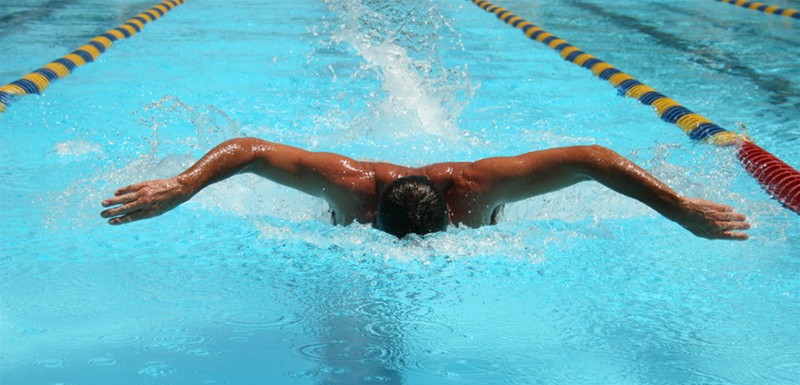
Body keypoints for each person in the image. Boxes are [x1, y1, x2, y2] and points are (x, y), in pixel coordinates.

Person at [100, 137, 750, 240]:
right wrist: (183, 186)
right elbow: (251, 150)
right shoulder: (349, 186)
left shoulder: (479, 188)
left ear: (457, 215)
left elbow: (591, 158)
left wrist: (680, 208)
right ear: (369, 213)